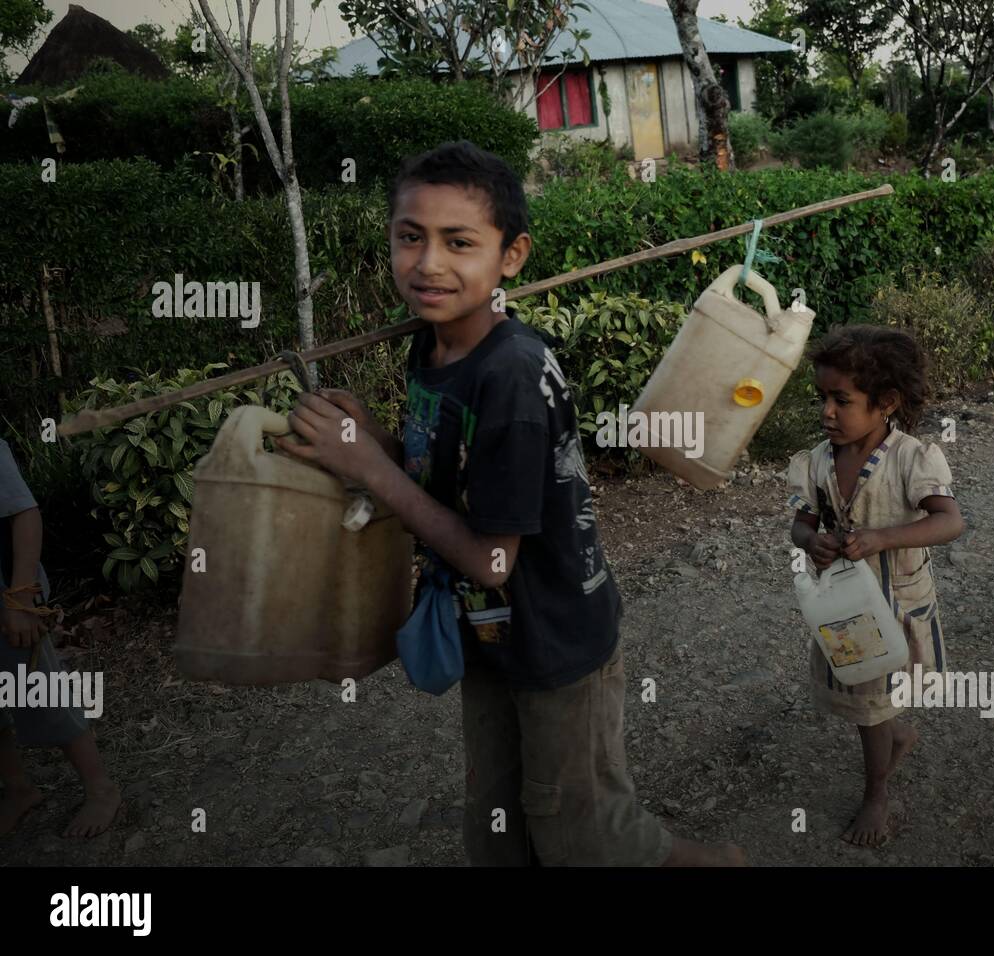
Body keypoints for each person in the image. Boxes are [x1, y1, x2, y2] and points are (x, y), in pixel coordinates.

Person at [276, 140, 745, 866]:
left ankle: (717, 863)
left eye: (459, 242)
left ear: (512, 256)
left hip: (555, 637)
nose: (428, 263)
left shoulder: (514, 379)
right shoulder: (435, 351)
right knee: (498, 820)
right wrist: (382, 443)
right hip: (491, 637)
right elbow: (451, 481)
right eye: (410, 238)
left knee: (584, 833)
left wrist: (369, 468)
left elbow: (492, 558)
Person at [787, 325, 964, 848]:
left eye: (843, 400)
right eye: (823, 398)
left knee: (871, 708)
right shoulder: (819, 460)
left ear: (885, 402)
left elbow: (950, 521)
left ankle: (877, 796)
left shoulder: (913, 458)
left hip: (899, 603)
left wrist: (884, 536)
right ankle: (895, 736)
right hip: (849, 609)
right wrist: (809, 540)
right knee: (870, 698)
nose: (827, 412)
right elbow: (801, 522)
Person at [0, 437, 121, 838]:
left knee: (39, 689)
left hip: (8, 602)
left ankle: (100, 787)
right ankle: (19, 790)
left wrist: (19, 600)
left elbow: (24, 513)